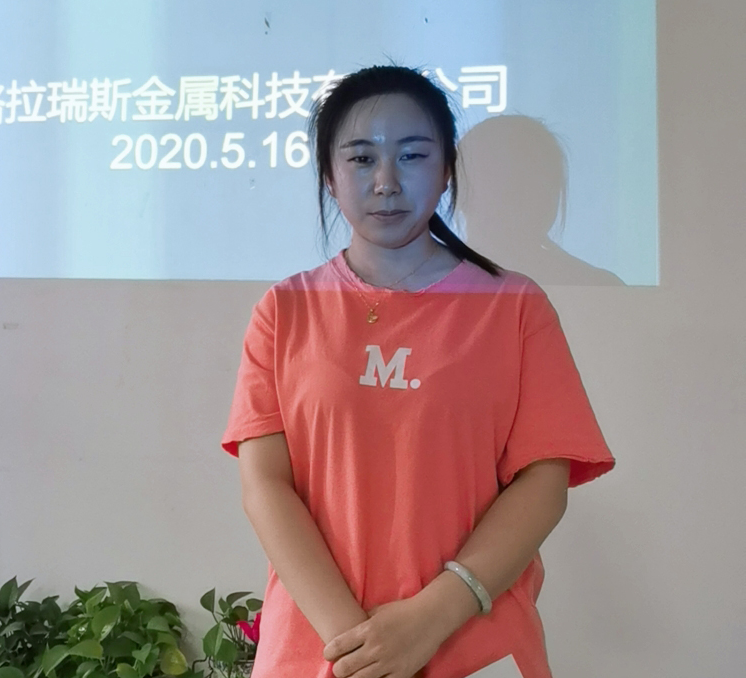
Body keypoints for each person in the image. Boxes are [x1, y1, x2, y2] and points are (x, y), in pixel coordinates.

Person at [221, 65, 615, 678]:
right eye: (361, 158)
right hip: (321, 650)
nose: (386, 182)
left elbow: (544, 482)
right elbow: (265, 486)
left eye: (412, 155)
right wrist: (360, 646)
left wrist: (432, 618)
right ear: (329, 174)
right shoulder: (286, 308)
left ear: (447, 169)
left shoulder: (514, 307)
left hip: (472, 642)